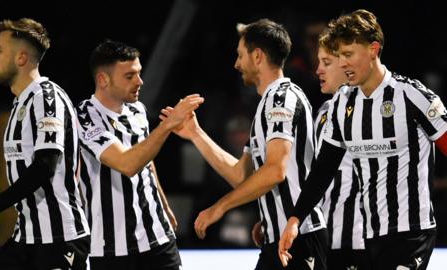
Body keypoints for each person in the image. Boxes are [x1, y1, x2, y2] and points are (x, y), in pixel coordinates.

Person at [279, 9, 447, 270]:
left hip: (413, 234)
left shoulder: (412, 96)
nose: (343, 63)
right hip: (369, 239)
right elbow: (324, 169)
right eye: (340, 55)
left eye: (348, 54)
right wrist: (295, 218)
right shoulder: (341, 104)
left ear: (373, 50)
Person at [163, 19, 327, 270]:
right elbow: (242, 176)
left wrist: (219, 208)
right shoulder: (267, 103)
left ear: (258, 56)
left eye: (240, 55)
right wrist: (196, 134)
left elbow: (275, 170)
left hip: (299, 238)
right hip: (281, 237)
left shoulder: (280, 99)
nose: (236, 64)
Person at [0, 18, 90, 269]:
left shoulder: (46, 98)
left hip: (59, 239)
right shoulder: (20, 103)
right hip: (27, 237)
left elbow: (45, 166)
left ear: (21, 58)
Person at [76, 39, 203, 270]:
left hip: (156, 234)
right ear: (103, 79)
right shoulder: (85, 116)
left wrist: (163, 205)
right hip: (111, 246)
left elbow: (146, 160)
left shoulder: (138, 110)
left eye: (139, 73)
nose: (140, 81)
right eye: (129, 76)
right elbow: (127, 164)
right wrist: (167, 126)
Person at [314, 29, 369, 270]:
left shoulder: (366, 107)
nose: (318, 70)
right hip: (325, 239)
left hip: (357, 242)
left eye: (326, 62)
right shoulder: (324, 111)